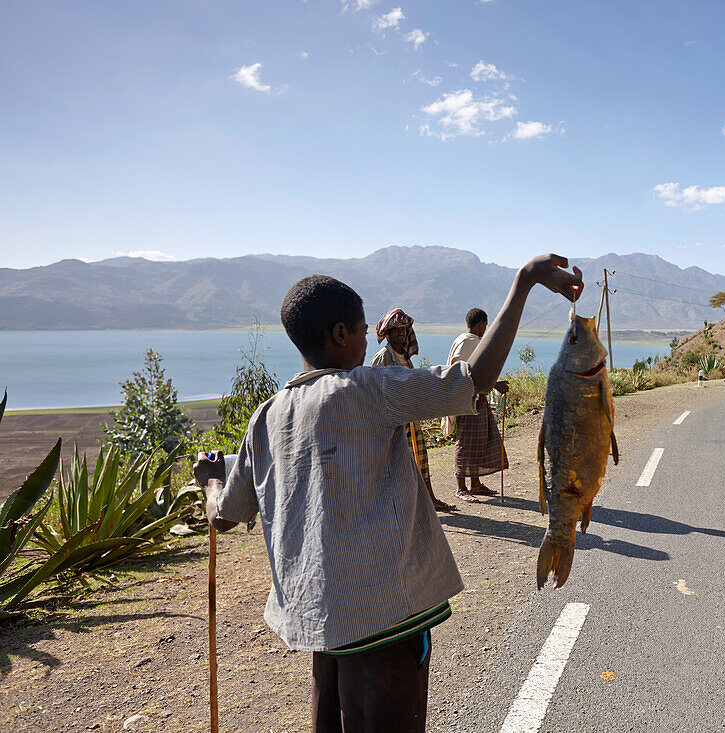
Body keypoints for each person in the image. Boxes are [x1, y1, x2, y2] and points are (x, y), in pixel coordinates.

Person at [193, 254, 582, 733]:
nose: (365, 340)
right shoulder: (366, 389)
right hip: (386, 618)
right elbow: (472, 380)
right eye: (360, 329)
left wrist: (210, 479)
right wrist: (522, 285)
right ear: (340, 334)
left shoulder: (266, 417)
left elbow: (223, 515)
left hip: (321, 623)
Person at [370, 308, 456, 513]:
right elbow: (375, 389)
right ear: (388, 334)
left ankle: (430, 500)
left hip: (410, 418)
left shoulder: (405, 357)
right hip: (394, 422)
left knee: (421, 460)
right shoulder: (383, 357)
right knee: (399, 463)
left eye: (404, 330)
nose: (401, 333)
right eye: (397, 330)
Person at [446, 308, 510, 503]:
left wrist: (490, 384)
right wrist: (494, 384)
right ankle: (460, 488)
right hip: (467, 400)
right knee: (465, 442)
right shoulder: (467, 342)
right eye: (485, 325)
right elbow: (463, 372)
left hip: (477, 399)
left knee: (479, 440)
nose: (486, 329)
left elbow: (478, 371)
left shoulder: (470, 341)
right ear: (481, 323)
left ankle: (475, 484)